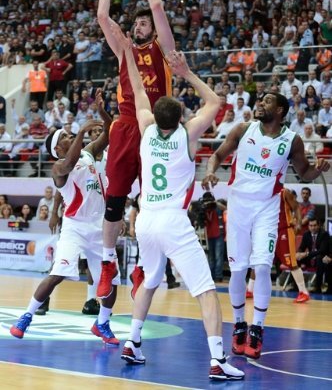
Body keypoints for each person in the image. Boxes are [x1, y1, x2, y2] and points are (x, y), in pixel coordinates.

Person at [117, 34, 244, 380]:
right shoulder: (186, 135)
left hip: (145, 220)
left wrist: (128, 54)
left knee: (152, 279)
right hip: (172, 221)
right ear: (181, 115)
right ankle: (218, 360)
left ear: (155, 116)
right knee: (205, 290)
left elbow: (137, 90)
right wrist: (186, 73)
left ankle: (132, 341)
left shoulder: (144, 128)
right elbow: (216, 102)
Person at [202, 92, 330, 359]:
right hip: (238, 208)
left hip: (267, 210)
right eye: (260, 100)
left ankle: (257, 329)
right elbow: (217, 155)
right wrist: (211, 171)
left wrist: (319, 169)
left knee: (261, 266)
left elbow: (304, 172)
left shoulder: (291, 140)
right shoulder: (242, 129)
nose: (260, 104)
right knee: (237, 271)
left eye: (268, 101)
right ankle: (239, 324)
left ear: (281, 110)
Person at [10, 91, 121, 344]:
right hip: (75, 227)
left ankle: (102, 323)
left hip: (100, 227)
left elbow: (109, 132)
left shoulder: (89, 153)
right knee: (58, 273)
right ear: (57, 148)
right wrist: (80, 133)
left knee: (110, 280)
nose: (71, 137)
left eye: (71, 135)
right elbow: (70, 165)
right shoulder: (58, 167)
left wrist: (102, 111)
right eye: (66, 137)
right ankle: (26, 316)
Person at [96, 0, 175, 299]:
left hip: (157, 129)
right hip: (125, 125)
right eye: (137, 23)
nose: (139, 25)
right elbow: (101, 15)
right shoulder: (124, 49)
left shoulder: (164, 51)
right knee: (114, 202)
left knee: (151, 204)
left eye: (144, 24)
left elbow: (157, 8)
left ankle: (144, 264)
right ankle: (107, 263)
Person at [296, 218, 330, 294]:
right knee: (296, 260)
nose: (313, 227)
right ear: (308, 226)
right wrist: (299, 253)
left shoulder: (324, 234)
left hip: (321, 258)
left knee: (319, 259)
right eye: (311, 225)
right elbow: (302, 247)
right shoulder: (306, 234)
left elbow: (322, 250)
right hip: (310, 258)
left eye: (315, 225)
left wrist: (307, 254)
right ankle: (296, 287)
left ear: (319, 225)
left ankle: (318, 288)